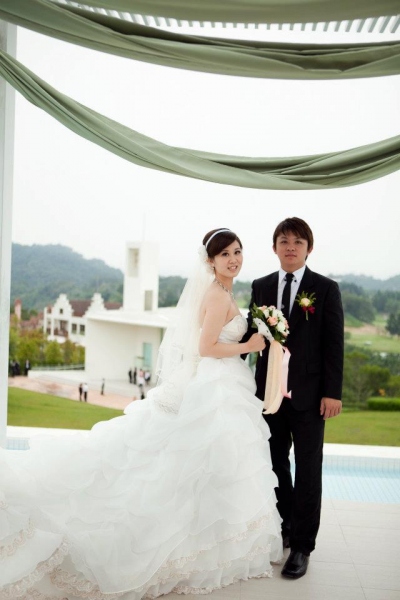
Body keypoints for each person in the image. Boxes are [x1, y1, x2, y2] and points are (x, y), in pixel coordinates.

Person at [0, 228, 283, 599]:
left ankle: (216, 541)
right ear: (211, 261)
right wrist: (250, 344)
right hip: (214, 382)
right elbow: (206, 347)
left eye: (237, 251)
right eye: (225, 254)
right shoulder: (217, 295)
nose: (233, 259)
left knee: (216, 465)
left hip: (224, 381)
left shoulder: (225, 291)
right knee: (202, 462)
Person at [243, 217, 344, 579]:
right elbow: (251, 335)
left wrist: (332, 392)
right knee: (274, 465)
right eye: (284, 241)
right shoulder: (261, 286)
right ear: (274, 248)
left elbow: (333, 343)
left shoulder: (326, 289)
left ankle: (302, 546)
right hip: (268, 395)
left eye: (297, 242)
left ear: (308, 248)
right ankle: (285, 526)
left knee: (308, 470)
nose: (290, 247)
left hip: (310, 396)